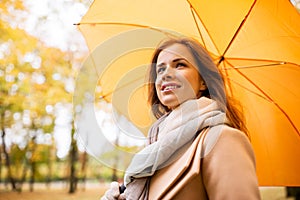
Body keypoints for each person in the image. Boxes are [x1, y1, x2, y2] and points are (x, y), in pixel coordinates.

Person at [101, 37, 261, 200]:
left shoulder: (222, 139)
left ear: (203, 83)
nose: (166, 74)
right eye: (160, 70)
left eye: (180, 65)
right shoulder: (154, 152)